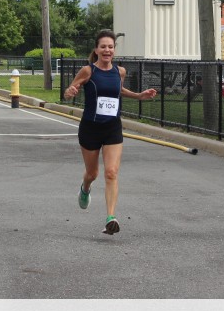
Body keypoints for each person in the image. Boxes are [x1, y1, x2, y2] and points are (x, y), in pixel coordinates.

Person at [63, 30, 157, 235]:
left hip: (112, 127)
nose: (107, 50)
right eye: (103, 47)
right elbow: (69, 91)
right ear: (96, 50)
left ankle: (110, 218)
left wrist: (139, 95)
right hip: (90, 128)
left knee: (111, 172)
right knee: (92, 174)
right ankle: (85, 188)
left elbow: (118, 90)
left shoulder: (120, 71)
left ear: (114, 50)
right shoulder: (88, 71)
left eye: (110, 47)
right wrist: (70, 92)